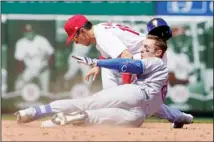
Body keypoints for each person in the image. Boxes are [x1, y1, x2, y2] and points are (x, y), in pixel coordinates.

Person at [63, 15, 193, 128]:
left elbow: (127, 57)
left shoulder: (102, 36)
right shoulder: (100, 29)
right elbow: (110, 52)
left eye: (74, 38)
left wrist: (126, 89)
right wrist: (97, 65)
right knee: (142, 100)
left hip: (146, 56)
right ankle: (180, 117)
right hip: (150, 54)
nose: (76, 42)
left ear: (82, 31)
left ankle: (108, 112)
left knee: (130, 98)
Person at [16, 35, 171, 127]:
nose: (142, 49)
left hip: (134, 94)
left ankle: (33, 112)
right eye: (142, 46)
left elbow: (127, 64)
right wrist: (184, 118)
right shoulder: (162, 73)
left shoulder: (155, 62)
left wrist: (98, 62)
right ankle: (61, 121)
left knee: (85, 103)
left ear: (158, 52)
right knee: (94, 118)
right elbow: (165, 109)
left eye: (146, 47)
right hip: (138, 116)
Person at [14, 24, 54, 93]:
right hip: (30, 69)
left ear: (33, 31)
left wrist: (49, 66)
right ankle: (18, 102)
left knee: (46, 91)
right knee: (19, 85)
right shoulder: (20, 43)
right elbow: (19, 60)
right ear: (24, 33)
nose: (29, 34)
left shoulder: (42, 40)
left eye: (30, 32)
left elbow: (51, 53)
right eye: (27, 32)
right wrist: (20, 74)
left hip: (43, 69)